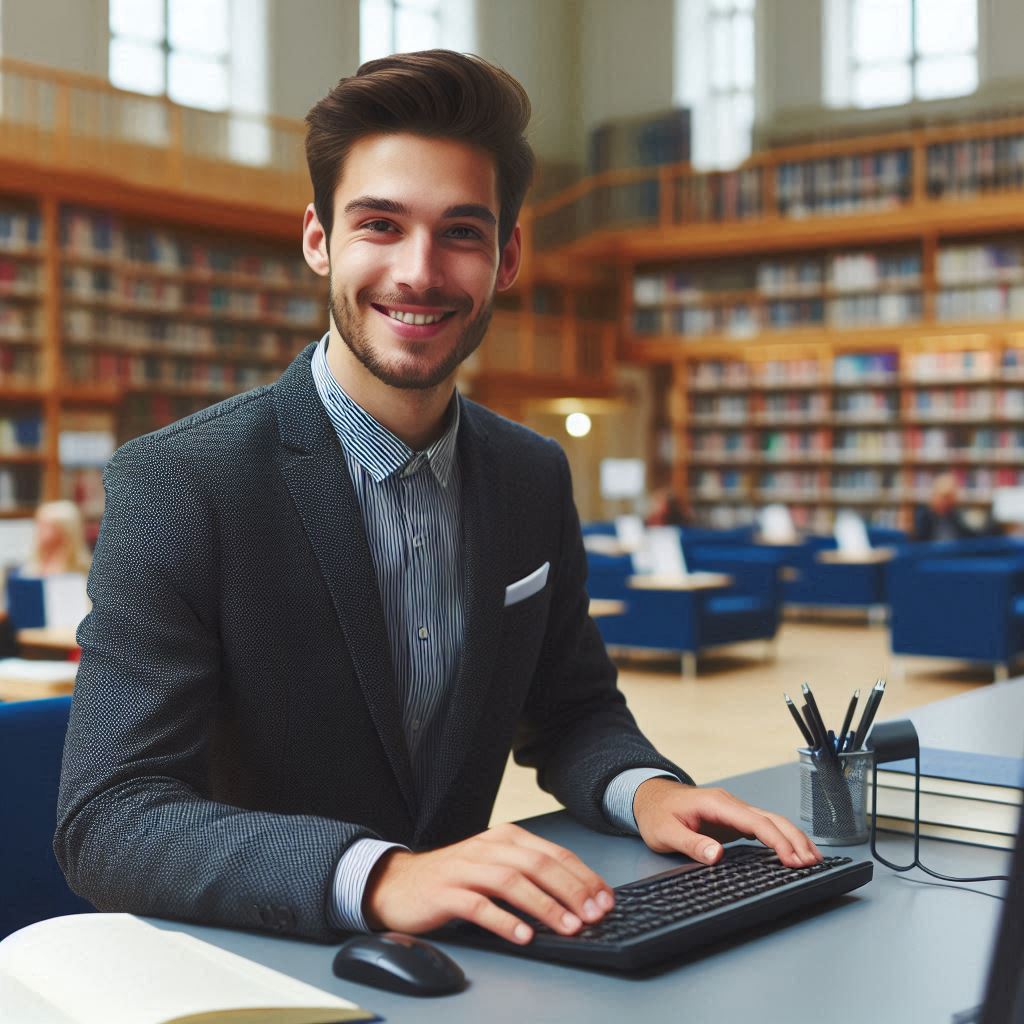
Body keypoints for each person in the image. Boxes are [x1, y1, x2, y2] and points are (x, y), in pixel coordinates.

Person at [55, 50, 820, 947]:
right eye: (380, 223)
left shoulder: (532, 475)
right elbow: (109, 818)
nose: (420, 272)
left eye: (461, 231)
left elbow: (571, 709)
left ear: (507, 257)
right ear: (318, 239)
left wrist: (645, 789)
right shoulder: (181, 483)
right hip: (260, 963)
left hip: (472, 965)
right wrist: (382, 876)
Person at [23, 500, 92, 576]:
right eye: (39, 524)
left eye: (46, 526)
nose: (39, 530)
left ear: (65, 530)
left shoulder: (83, 569)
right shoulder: (31, 565)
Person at [913, 473, 977, 542]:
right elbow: (918, 545)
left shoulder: (958, 517)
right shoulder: (924, 519)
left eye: (950, 496)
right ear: (935, 496)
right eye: (944, 496)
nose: (946, 501)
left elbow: (970, 539)